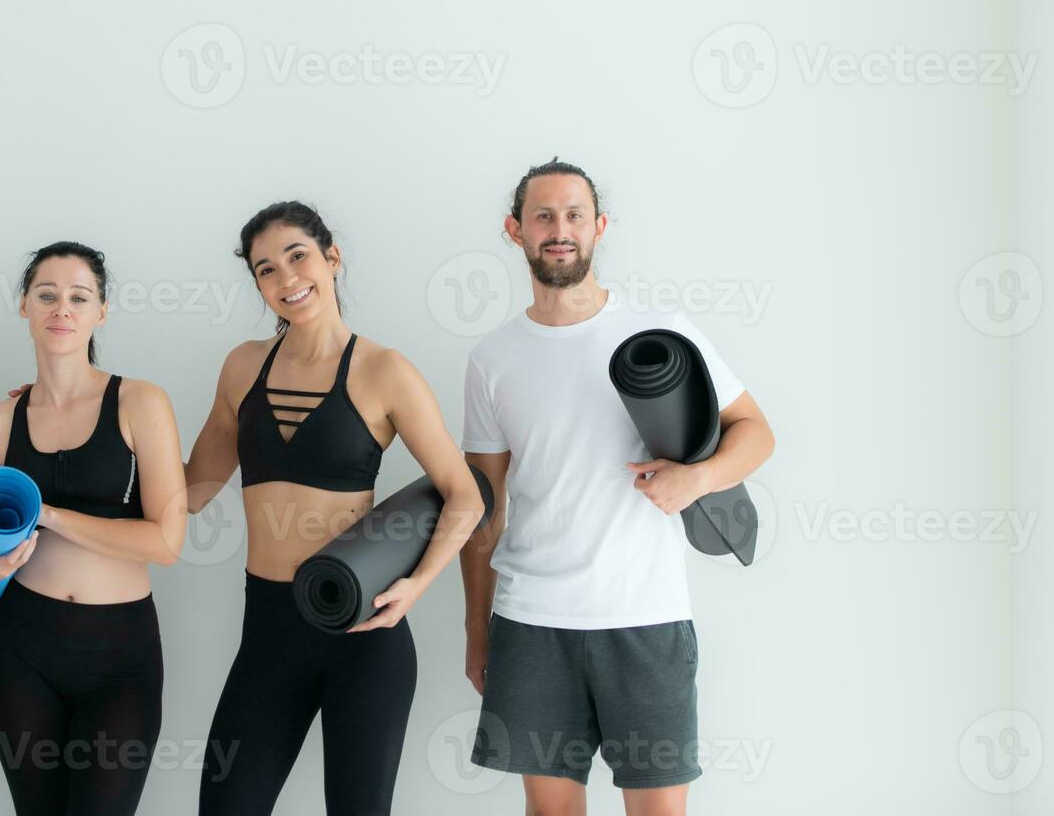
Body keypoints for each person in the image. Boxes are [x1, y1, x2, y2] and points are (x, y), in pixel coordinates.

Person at [460, 160, 776, 816]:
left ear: (598, 227)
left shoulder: (662, 333)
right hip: (531, 619)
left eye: (573, 214)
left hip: (644, 615)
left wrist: (696, 480)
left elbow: (755, 433)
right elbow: (482, 510)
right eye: (542, 215)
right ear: (513, 229)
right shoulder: (492, 359)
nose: (559, 229)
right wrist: (475, 629)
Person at [186, 201, 487, 816]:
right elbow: (189, 491)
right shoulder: (243, 367)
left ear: (332, 257)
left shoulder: (384, 371)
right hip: (268, 627)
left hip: (364, 630)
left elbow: (467, 495)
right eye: (266, 269)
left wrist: (418, 585)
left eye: (298, 256)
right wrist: (79, 411)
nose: (287, 278)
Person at [0, 241, 187, 816]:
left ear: (101, 311)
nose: (61, 308)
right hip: (22, 651)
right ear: (24, 306)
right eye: (47, 294)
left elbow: (167, 542)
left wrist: (47, 514)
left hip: (121, 656)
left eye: (79, 296)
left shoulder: (140, 402)